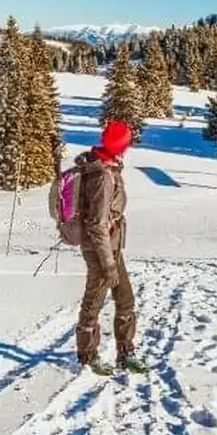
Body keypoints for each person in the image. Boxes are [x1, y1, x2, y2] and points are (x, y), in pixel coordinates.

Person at [72, 119, 145, 375]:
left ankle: (126, 353)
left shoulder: (108, 167)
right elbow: (96, 224)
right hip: (100, 250)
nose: (128, 147)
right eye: (126, 143)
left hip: (111, 247)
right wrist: (108, 263)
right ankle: (87, 355)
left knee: (125, 299)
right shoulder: (102, 176)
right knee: (94, 300)